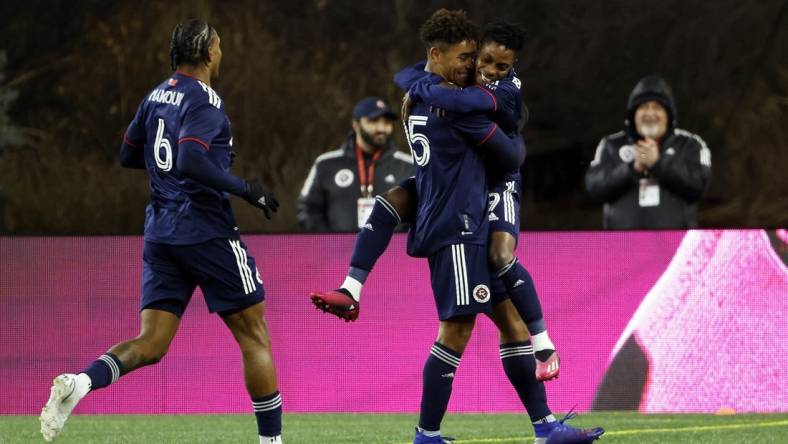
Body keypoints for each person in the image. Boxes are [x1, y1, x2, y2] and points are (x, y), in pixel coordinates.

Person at [315, 11, 602, 444]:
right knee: (457, 329)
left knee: (510, 325)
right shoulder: (457, 106)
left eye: (479, 59)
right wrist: (515, 141)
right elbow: (509, 157)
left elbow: (410, 77)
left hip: (452, 212)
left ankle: (545, 428)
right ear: (437, 54)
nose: (474, 67)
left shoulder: (417, 96)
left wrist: (424, 82)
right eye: (467, 57)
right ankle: (428, 434)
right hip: (458, 227)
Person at [39, 20, 284, 444]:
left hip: (161, 233)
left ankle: (80, 383)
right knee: (255, 336)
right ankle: (272, 442)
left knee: (151, 343)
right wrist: (247, 189)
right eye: (220, 45)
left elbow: (128, 153)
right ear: (208, 53)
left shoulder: (156, 94)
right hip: (206, 230)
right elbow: (190, 160)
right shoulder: (204, 99)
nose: (221, 52)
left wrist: (165, 170)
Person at [585, 75, 712, 229]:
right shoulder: (611, 145)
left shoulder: (689, 144)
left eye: (657, 107)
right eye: (643, 107)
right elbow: (595, 188)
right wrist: (631, 168)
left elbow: (698, 186)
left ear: (669, 115)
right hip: (622, 248)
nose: (650, 113)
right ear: (633, 115)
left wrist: (658, 164)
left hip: (677, 247)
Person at [297, 97, 413, 232]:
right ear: (356, 124)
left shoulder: (408, 165)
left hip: (393, 251)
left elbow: (422, 212)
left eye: (387, 122)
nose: (381, 128)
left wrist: (401, 244)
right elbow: (307, 209)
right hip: (337, 251)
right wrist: (326, 245)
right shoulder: (326, 164)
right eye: (373, 121)